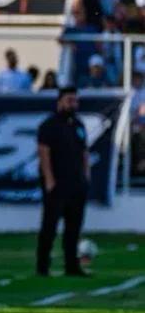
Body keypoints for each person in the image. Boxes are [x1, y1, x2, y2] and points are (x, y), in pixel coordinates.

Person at [36, 87, 90, 277]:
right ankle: (42, 266)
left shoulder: (78, 124)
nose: (73, 104)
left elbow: (84, 151)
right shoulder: (49, 125)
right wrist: (49, 179)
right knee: (50, 227)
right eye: (69, 100)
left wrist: (86, 176)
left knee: (73, 228)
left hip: (76, 184)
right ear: (60, 102)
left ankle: (72, 266)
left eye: (75, 101)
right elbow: (44, 152)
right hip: (57, 184)